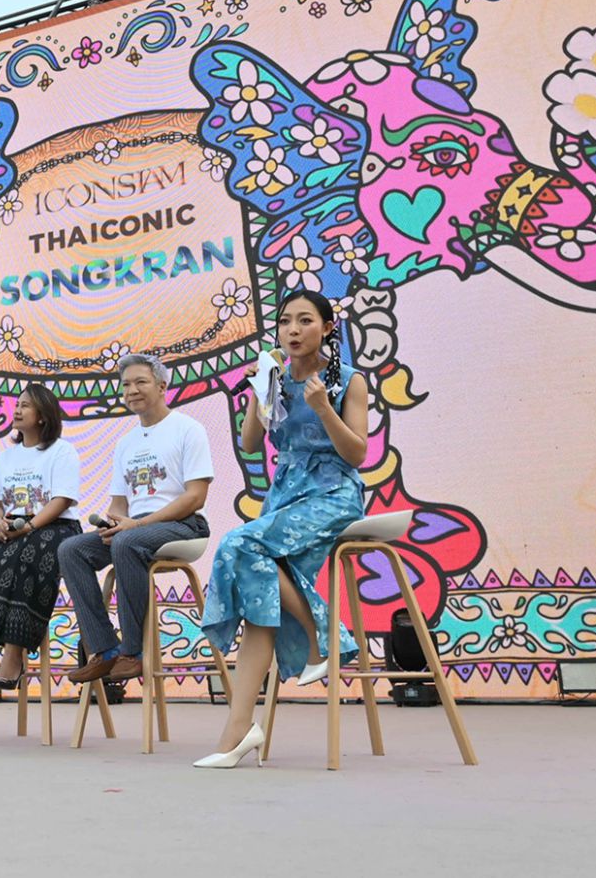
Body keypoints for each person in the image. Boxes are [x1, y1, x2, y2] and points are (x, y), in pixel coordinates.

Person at [194, 290, 367, 769]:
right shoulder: (275, 377)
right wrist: (261, 386)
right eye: (286, 321)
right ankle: (238, 730)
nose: (293, 330)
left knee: (239, 543)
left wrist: (325, 408)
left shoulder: (347, 381)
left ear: (327, 328)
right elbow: (251, 442)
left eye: (305, 321)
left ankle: (318, 637)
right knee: (260, 592)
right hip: (285, 496)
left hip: (332, 495)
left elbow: (357, 455)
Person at [62, 353, 214, 685]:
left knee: (128, 542)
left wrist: (137, 526)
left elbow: (195, 497)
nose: (132, 391)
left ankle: (133, 653)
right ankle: (105, 650)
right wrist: (113, 524)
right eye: (126, 385)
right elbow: (119, 504)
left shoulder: (188, 429)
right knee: (71, 550)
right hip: (136, 529)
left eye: (140, 382)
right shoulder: (125, 443)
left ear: (162, 386)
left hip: (184, 525)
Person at [0, 384, 81, 687]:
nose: (18, 410)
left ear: (43, 416)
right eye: (17, 404)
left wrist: (31, 527)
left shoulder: (62, 451)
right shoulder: (5, 458)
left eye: (26, 405)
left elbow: (61, 500)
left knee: (26, 557)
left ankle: (14, 650)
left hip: (55, 526)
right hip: (15, 526)